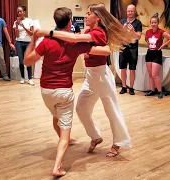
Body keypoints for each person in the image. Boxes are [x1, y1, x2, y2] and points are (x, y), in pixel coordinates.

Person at [36, 4, 135, 158]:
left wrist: (49, 32)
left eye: (89, 13)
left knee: (112, 110)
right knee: (81, 108)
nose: (86, 16)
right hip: (90, 76)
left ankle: (118, 143)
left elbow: (75, 38)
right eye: (86, 13)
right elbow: (74, 41)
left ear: (98, 17)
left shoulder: (99, 33)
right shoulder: (89, 31)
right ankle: (95, 136)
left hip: (101, 76)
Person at [24, 7, 111, 177]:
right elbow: (104, 50)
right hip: (64, 92)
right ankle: (57, 166)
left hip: (46, 92)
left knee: (56, 117)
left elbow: (27, 61)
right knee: (64, 132)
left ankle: (67, 139)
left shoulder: (47, 43)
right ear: (70, 22)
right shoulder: (75, 44)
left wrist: (33, 40)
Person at [144, 13, 170, 98]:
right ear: (150, 23)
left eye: (155, 22)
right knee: (150, 74)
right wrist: (148, 45)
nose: (153, 24)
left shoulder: (161, 32)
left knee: (154, 74)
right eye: (152, 22)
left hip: (157, 53)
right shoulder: (148, 32)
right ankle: (152, 90)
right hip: (149, 53)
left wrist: (163, 45)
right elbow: (147, 42)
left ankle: (159, 91)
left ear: (158, 23)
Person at [119, 4, 142, 95]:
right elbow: (119, 36)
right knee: (123, 68)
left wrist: (132, 31)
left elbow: (139, 37)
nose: (130, 12)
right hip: (123, 47)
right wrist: (123, 30)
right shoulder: (122, 21)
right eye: (128, 11)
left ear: (134, 11)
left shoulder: (138, 23)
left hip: (133, 48)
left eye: (132, 11)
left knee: (132, 69)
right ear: (126, 11)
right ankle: (124, 87)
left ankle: (131, 87)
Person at [13, 6, 34, 85]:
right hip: (19, 42)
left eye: (20, 11)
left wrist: (23, 26)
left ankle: (30, 78)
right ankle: (22, 77)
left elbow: (31, 33)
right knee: (21, 61)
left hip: (28, 42)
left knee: (28, 60)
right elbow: (17, 35)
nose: (19, 13)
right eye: (18, 12)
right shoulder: (16, 22)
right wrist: (18, 26)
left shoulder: (29, 21)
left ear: (24, 12)